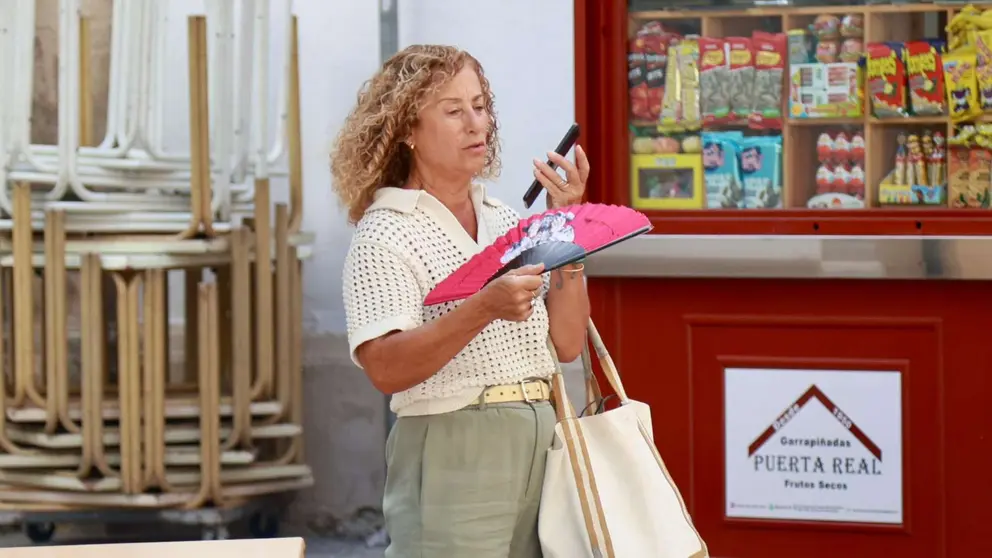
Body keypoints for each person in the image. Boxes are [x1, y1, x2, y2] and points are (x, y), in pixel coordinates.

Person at [331, 44, 591, 558]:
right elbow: (384, 367)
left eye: (480, 105)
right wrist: (483, 307)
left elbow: (566, 343)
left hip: (544, 438)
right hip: (454, 444)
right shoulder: (386, 232)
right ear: (406, 130)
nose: (477, 124)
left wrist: (568, 230)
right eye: (454, 111)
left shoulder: (503, 219)